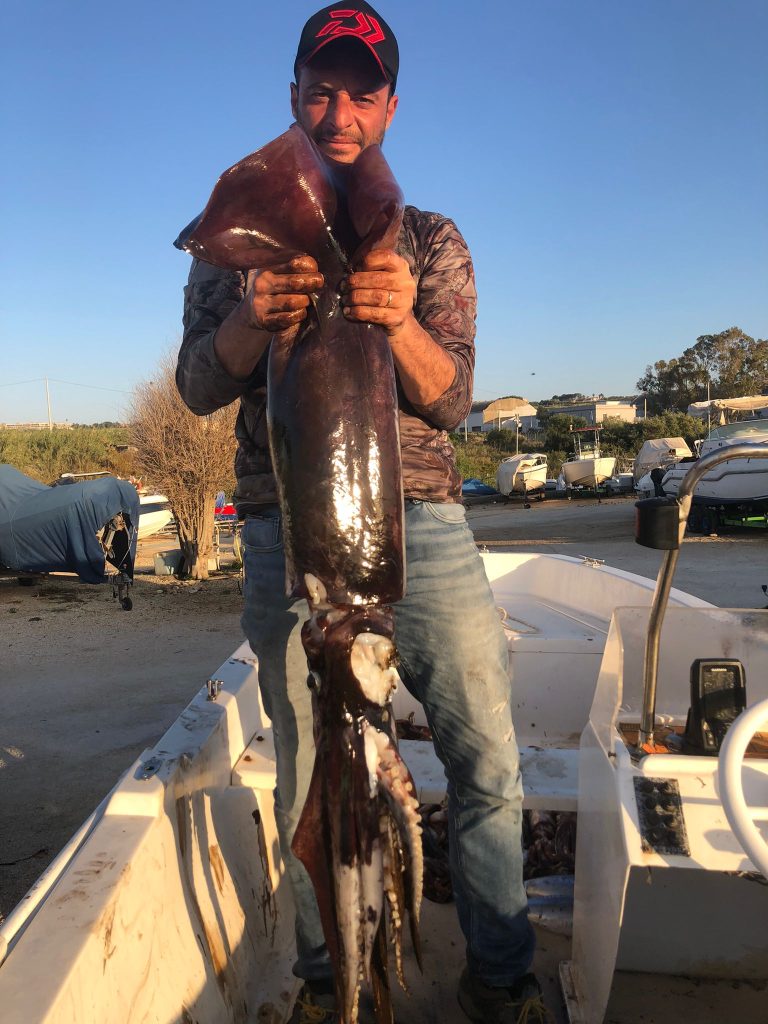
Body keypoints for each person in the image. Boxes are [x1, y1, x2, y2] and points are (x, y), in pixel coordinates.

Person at [175, 5, 546, 1022]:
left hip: (422, 522)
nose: (340, 113)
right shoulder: (237, 248)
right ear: (294, 96)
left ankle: (500, 976)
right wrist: (252, 317)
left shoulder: (428, 240)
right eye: (321, 90)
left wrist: (401, 322)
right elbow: (200, 383)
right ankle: (325, 982)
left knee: (484, 752)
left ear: (390, 106)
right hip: (285, 531)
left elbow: (453, 397)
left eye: (362, 93)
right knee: (307, 760)